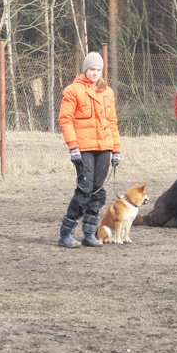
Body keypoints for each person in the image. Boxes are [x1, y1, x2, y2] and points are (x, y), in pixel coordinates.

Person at [57, 51, 121, 248]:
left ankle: (89, 233)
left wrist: (116, 149)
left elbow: (112, 122)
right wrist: (73, 147)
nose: (95, 73)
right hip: (83, 148)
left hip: (104, 147)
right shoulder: (73, 90)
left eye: (98, 69)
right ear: (85, 70)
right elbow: (65, 120)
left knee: (98, 191)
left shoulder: (107, 92)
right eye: (92, 69)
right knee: (84, 190)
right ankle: (65, 233)